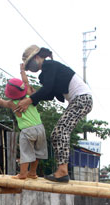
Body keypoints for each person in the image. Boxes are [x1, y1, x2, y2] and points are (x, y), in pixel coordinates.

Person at [15, 45, 93, 183]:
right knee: (58, 132)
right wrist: (33, 96)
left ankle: (62, 171)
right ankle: (62, 169)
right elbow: (49, 94)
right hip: (79, 100)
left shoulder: (49, 65)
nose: (30, 67)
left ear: (37, 57)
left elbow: (48, 88)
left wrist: (30, 99)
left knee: (60, 131)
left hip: (82, 99)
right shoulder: (45, 74)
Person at [0, 65, 47, 179]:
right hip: (40, 128)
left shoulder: (12, 103)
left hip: (27, 131)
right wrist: (22, 71)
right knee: (38, 153)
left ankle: (22, 174)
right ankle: (32, 173)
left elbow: (1, 102)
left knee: (25, 153)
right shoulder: (29, 97)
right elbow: (26, 83)